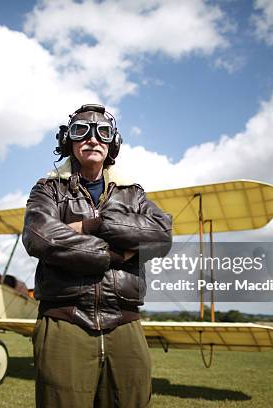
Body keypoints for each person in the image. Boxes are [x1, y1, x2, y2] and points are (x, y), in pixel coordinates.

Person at [22, 104, 173, 407]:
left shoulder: (133, 194)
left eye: (102, 133)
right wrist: (114, 254)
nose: (93, 139)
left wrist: (97, 225)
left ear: (112, 143)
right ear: (69, 142)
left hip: (125, 323)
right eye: (82, 131)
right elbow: (40, 236)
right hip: (65, 320)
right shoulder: (48, 189)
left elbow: (162, 235)